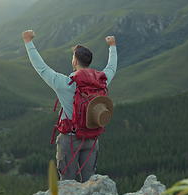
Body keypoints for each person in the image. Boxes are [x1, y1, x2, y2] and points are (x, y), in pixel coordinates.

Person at [22, 30, 117, 182]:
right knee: (90, 181)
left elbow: (42, 68)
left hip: (70, 139)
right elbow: (112, 68)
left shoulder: (65, 84)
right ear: (89, 62)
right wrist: (112, 46)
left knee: (67, 181)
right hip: (92, 137)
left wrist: (28, 42)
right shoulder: (101, 82)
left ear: (74, 62)